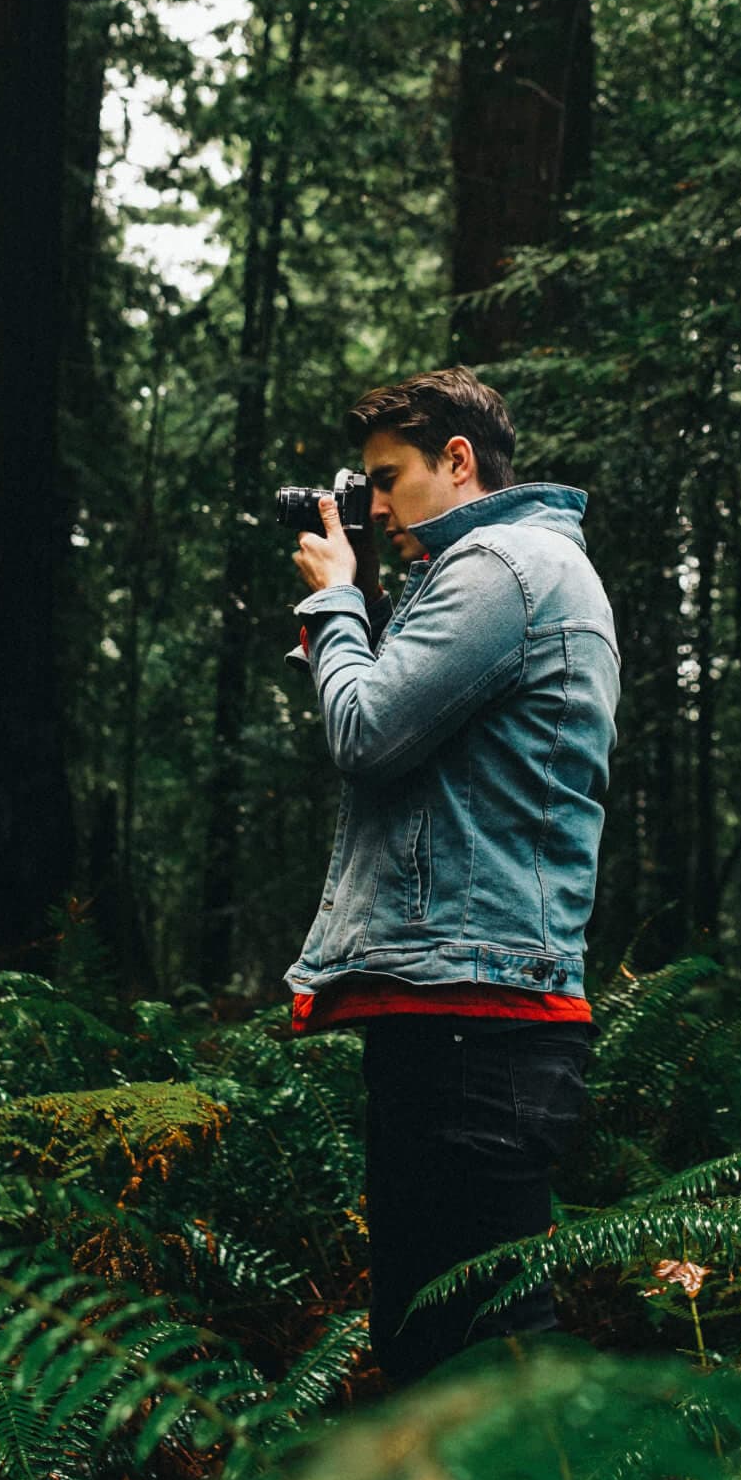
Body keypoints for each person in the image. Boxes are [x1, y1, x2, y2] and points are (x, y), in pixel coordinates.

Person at [286, 366, 620, 1386]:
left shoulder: (500, 567)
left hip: (471, 1014)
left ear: (459, 459)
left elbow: (365, 727)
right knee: (440, 1338)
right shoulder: (519, 570)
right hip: (468, 1005)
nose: (373, 505)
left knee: (482, 1349)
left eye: (388, 478)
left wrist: (336, 602)